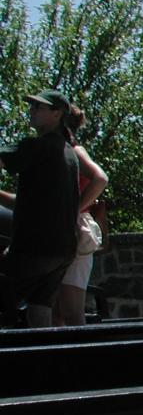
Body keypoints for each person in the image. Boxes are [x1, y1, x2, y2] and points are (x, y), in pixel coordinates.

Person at [0, 91, 81, 329]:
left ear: (57, 114)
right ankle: (46, 361)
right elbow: (33, 201)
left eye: (39, 107)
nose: (32, 110)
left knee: (7, 299)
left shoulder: (36, 146)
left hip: (35, 248)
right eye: (32, 105)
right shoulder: (68, 153)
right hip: (62, 251)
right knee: (39, 311)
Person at [54, 105, 109, 327]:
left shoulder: (75, 151)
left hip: (74, 232)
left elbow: (100, 179)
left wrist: (73, 210)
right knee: (55, 311)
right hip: (58, 232)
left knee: (71, 310)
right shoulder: (56, 152)